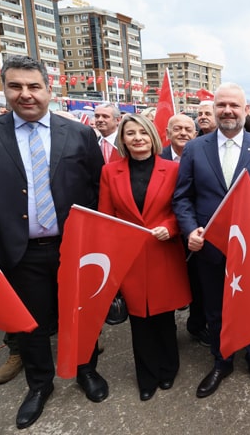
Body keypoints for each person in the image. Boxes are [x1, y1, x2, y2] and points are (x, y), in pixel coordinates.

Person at [0, 55, 108, 430]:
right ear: (4, 90)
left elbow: (98, 187)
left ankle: (86, 369)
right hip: (19, 250)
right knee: (31, 325)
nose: (25, 94)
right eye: (15, 86)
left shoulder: (79, 133)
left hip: (73, 247)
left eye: (33, 86)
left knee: (79, 315)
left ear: (48, 90)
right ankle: (40, 384)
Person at [173, 82, 250, 399]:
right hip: (211, 248)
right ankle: (222, 361)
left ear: (246, 110)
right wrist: (190, 229)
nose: (228, 111)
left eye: (234, 105)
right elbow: (182, 197)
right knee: (215, 309)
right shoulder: (195, 149)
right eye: (222, 105)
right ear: (213, 109)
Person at [99, 113, 191, 401]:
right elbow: (105, 217)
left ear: (153, 136)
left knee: (163, 317)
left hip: (164, 252)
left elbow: (182, 207)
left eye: (142, 132)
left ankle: (169, 368)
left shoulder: (172, 169)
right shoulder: (109, 172)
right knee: (139, 321)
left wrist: (170, 227)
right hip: (129, 257)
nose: (137, 138)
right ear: (123, 139)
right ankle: (147, 377)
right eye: (130, 133)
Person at [160, 113, 210, 348]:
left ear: (195, 133)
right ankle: (166, 332)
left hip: (193, 231)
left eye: (188, 129)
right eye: (177, 128)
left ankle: (197, 325)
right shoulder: (155, 158)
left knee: (198, 283)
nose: (183, 133)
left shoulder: (203, 155)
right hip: (164, 234)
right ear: (167, 133)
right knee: (167, 284)